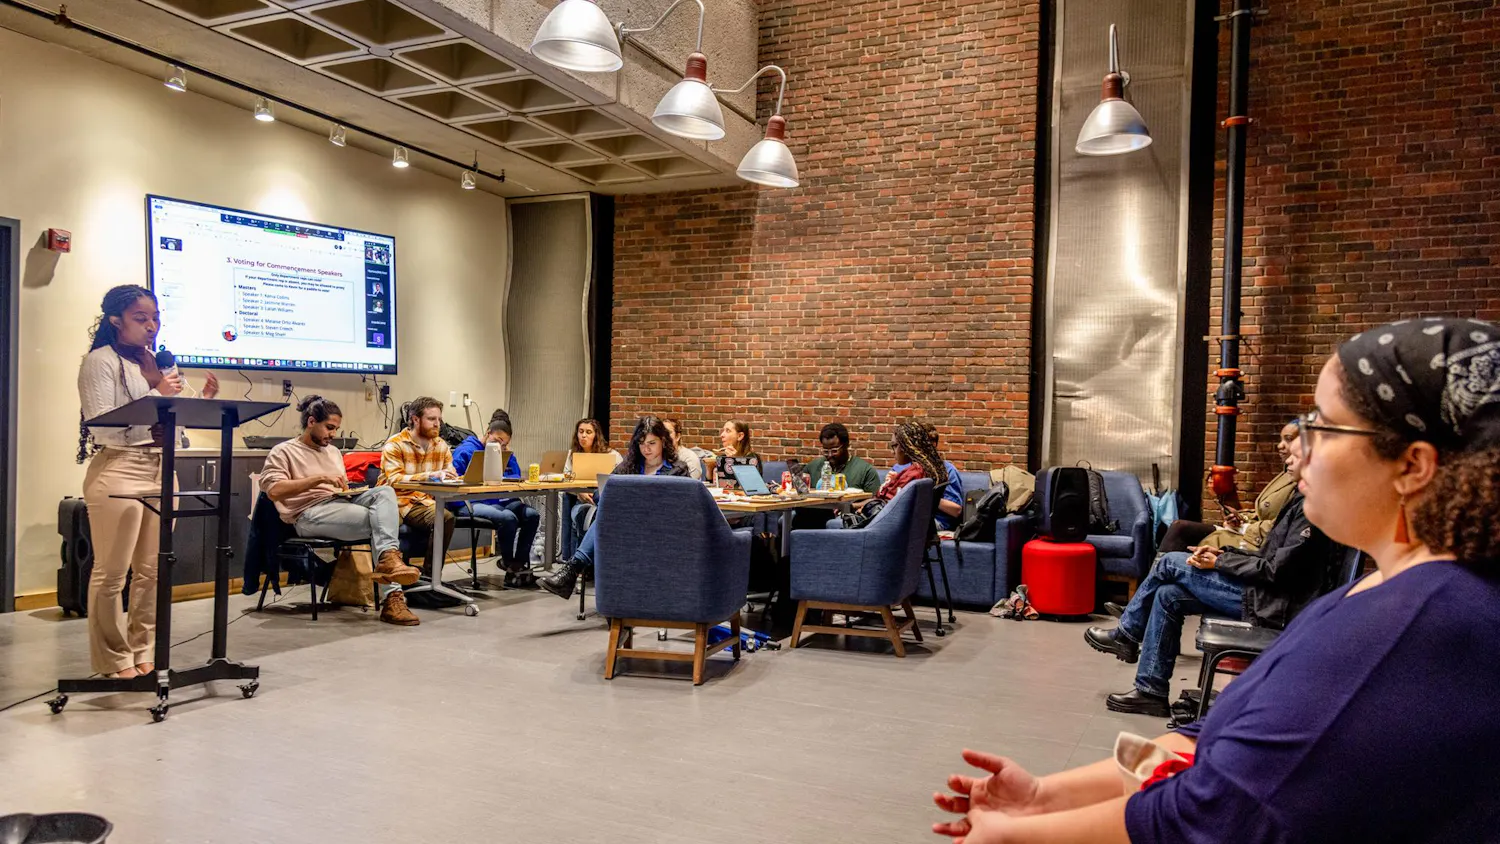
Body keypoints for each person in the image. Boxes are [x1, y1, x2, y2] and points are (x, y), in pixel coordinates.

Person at [930, 317, 1500, 843]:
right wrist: (1046, 795)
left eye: (1323, 427)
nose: (1300, 452)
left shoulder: (1422, 629)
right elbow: (1212, 743)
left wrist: (1019, 835)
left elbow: (1218, 809)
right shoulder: (1397, 594)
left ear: (1412, 465)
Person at [1082, 425, 1345, 715]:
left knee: (1169, 562)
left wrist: (1219, 563)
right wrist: (1225, 554)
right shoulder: (1300, 499)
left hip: (1277, 605)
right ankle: (1150, 691)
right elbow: (1271, 556)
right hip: (1268, 595)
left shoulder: (1313, 508)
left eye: (1295, 456)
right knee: (1168, 595)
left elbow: (1275, 571)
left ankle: (1127, 635)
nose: (1288, 461)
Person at [75, 284, 219, 678]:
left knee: (152, 571)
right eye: (141, 318)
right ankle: (113, 658)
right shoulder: (100, 362)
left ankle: (143, 651)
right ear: (115, 320)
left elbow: (170, 419)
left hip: (161, 468)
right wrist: (156, 391)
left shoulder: (159, 362)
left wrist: (202, 403)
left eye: (155, 318)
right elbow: (100, 422)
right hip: (119, 467)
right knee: (112, 573)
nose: (151, 326)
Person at [260, 396, 422, 625]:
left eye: (336, 429)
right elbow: (274, 491)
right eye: (329, 427)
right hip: (307, 513)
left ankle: (389, 563)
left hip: (339, 503)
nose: (333, 434)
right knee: (381, 521)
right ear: (311, 422)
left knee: (385, 492)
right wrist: (318, 479)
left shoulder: (333, 452)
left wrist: (347, 491)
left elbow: (340, 487)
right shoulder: (283, 451)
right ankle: (393, 597)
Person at [540, 416, 692, 599]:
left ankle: (572, 570)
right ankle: (574, 571)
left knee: (607, 517)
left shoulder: (678, 469)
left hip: (661, 527)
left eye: (652, 443)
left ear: (663, 441)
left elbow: (684, 504)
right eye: (642, 443)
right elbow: (599, 494)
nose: (646, 449)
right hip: (627, 526)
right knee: (608, 513)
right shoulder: (629, 467)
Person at [1157, 421, 1300, 554]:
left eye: (1288, 439)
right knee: (1179, 527)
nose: (1280, 445)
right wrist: (1241, 517)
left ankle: (1165, 568)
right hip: (1251, 532)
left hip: (1261, 544)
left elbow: (1285, 524)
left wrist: (1244, 528)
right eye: (1281, 439)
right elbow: (1262, 513)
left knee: (1178, 555)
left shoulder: (1302, 481)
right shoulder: (1286, 473)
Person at [450, 410, 540, 587]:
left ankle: (517, 566)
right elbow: (452, 479)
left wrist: (507, 455)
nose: (500, 445)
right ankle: (508, 564)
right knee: (508, 518)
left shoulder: (503, 452)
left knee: (532, 516)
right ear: (487, 433)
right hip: (469, 502)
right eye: (497, 440)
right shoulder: (466, 451)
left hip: (498, 500)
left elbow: (516, 477)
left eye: (504, 443)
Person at [379, 396, 456, 563]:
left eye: (439, 419)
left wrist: (453, 477)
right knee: (386, 524)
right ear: (415, 419)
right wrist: (430, 475)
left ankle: (431, 574)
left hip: (423, 502)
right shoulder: (395, 444)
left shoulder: (441, 445)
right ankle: (392, 571)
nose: (437, 424)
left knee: (445, 517)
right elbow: (394, 480)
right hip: (396, 501)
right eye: (432, 419)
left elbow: (450, 472)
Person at [563, 418, 623, 558]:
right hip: (581, 501)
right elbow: (566, 479)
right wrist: (579, 492)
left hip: (604, 502)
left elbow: (621, 479)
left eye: (588, 432)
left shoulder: (611, 455)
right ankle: (576, 562)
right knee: (580, 514)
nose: (583, 435)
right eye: (581, 431)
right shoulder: (572, 455)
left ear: (596, 435)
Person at [804, 422, 881, 493]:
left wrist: (850, 503)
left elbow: (875, 500)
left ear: (846, 446)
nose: (830, 455)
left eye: (834, 451)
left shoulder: (865, 471)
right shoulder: (811, 469)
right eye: (826, 451)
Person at [915, 423, 964, 530]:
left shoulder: (947, 470)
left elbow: (956, 510)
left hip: (937, 522)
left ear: (933, 445)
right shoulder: (910, 467)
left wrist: (926, 497)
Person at [716, 420, 761, 489]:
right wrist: (709, 468)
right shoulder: (722, 458)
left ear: (740, 436)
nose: (722, 435)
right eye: (723, 430)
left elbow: (752, 487)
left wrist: (734, 461)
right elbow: (713, 485)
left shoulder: (752, 459)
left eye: (728, 431)